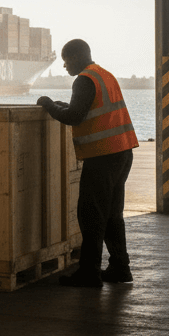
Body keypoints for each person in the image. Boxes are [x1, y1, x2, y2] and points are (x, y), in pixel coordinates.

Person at [36, 39, 138, 288]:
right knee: (113, 214)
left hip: (103, 157)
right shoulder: (105, 75)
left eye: (66, 60)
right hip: (122, 152)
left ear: (77, 57)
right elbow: (86, 109)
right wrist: (62, 105)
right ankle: (119, 267)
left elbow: (74, 116)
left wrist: (48, 104)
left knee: (91, 215)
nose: (64, 66)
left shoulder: (84, 79)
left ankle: (89, 274)